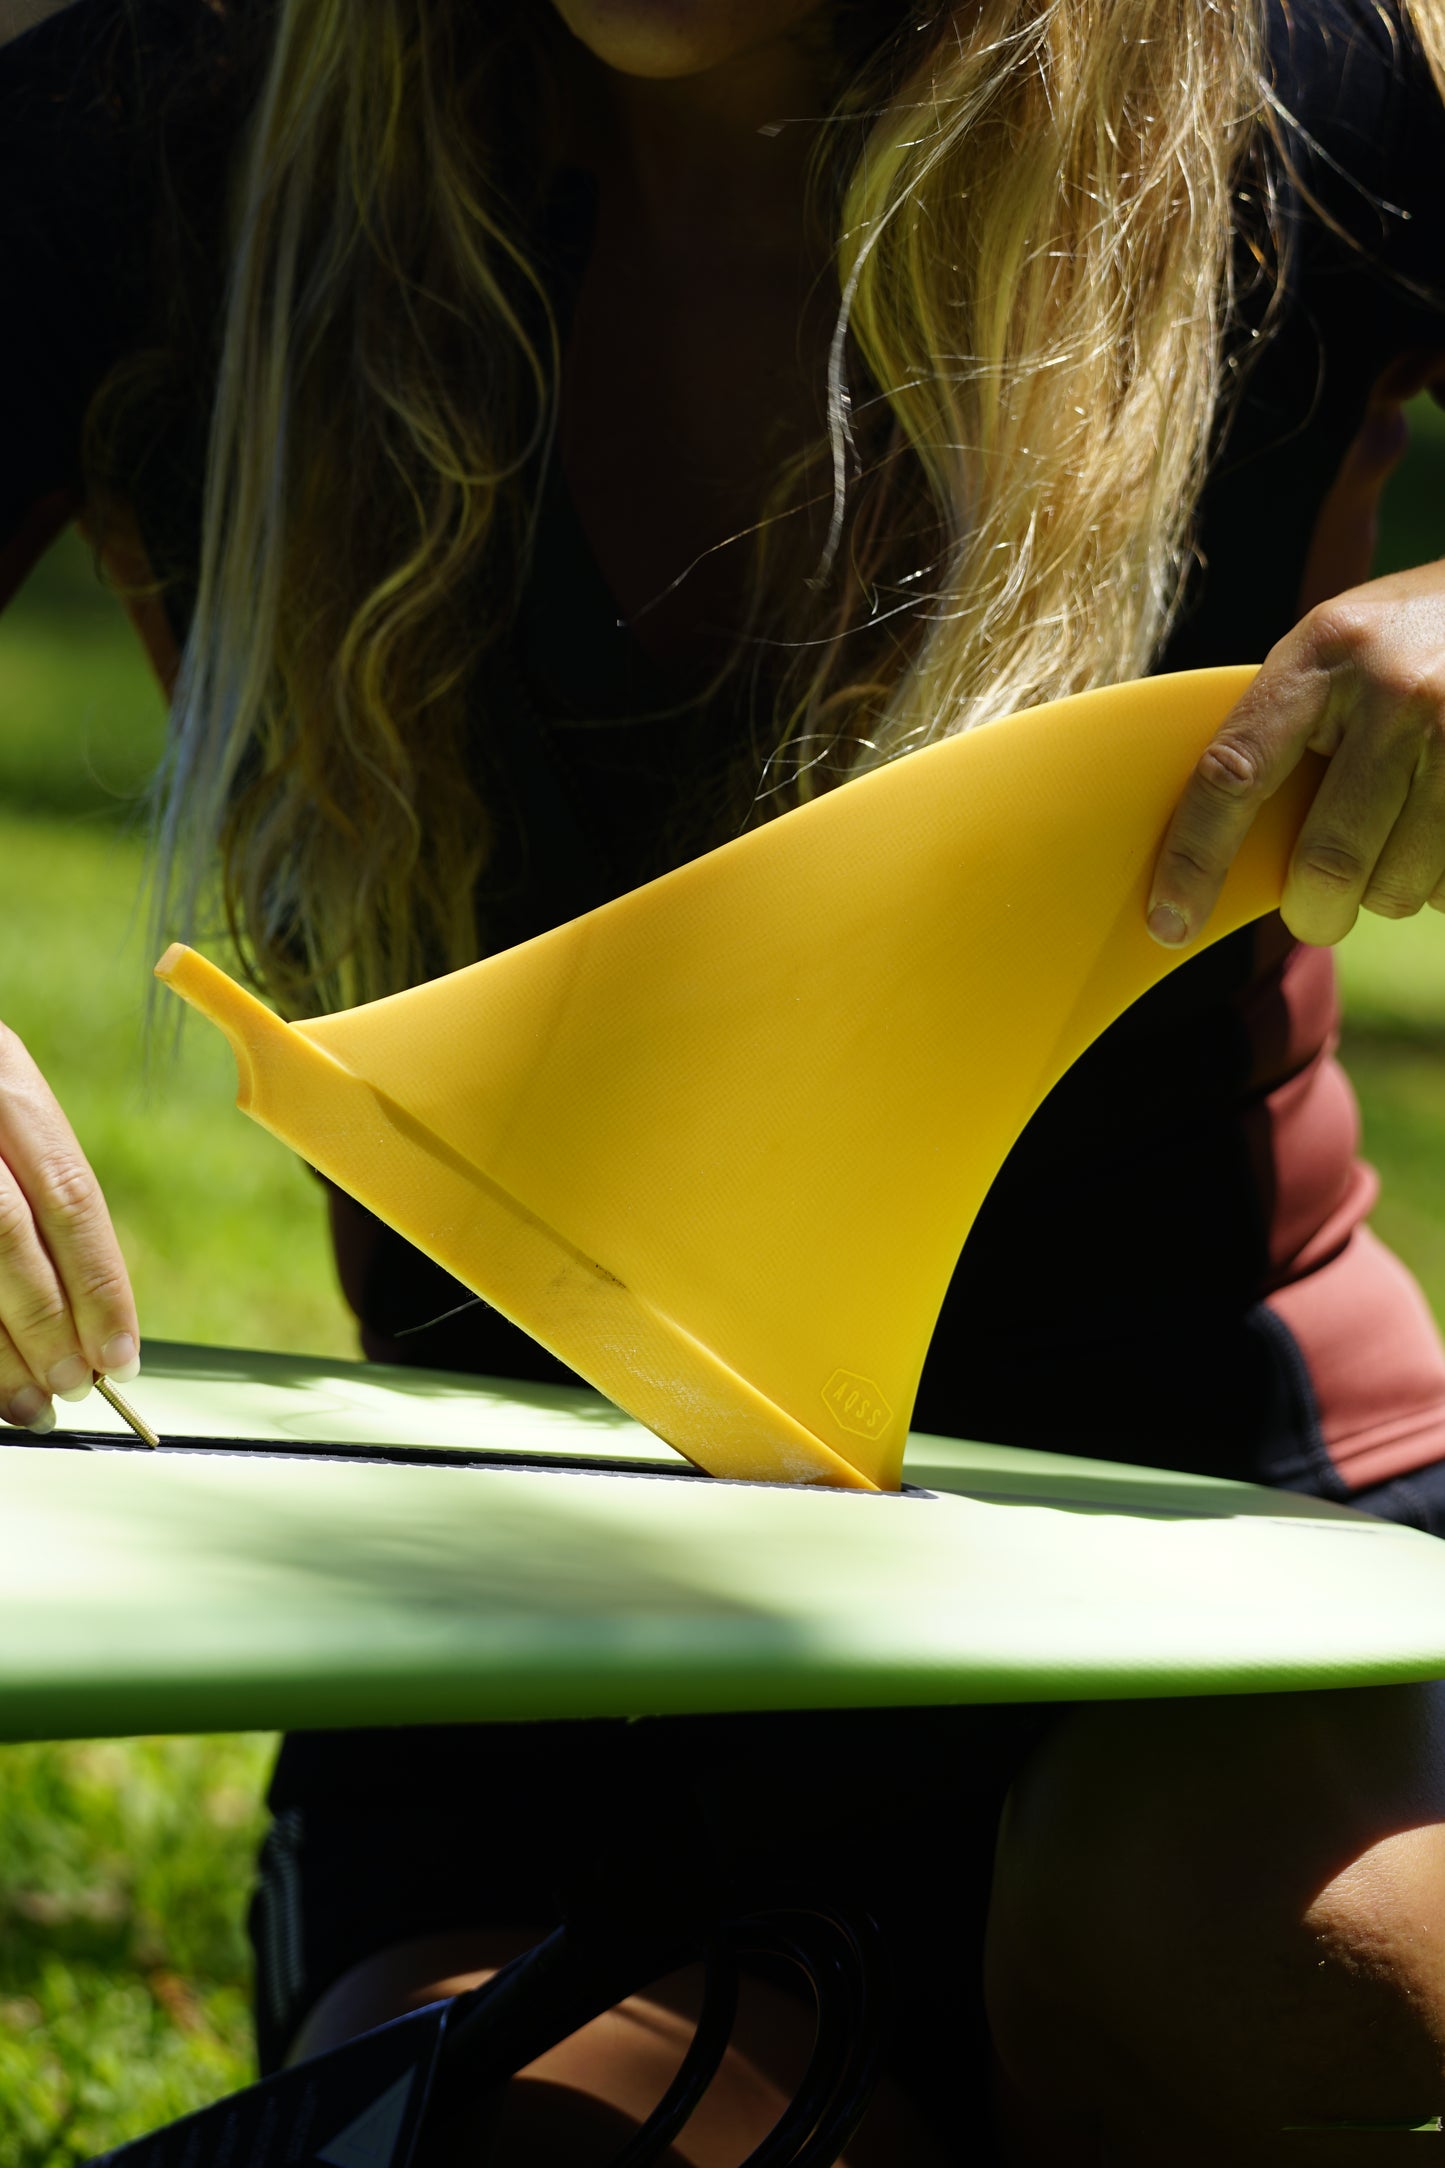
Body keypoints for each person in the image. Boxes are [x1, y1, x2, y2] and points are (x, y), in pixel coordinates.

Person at [2, 0, 1445, 2156]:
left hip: (1228, 1547)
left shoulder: (1311, 72)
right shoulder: (169, 103)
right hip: (538, 1626)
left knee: (1322, 1981)